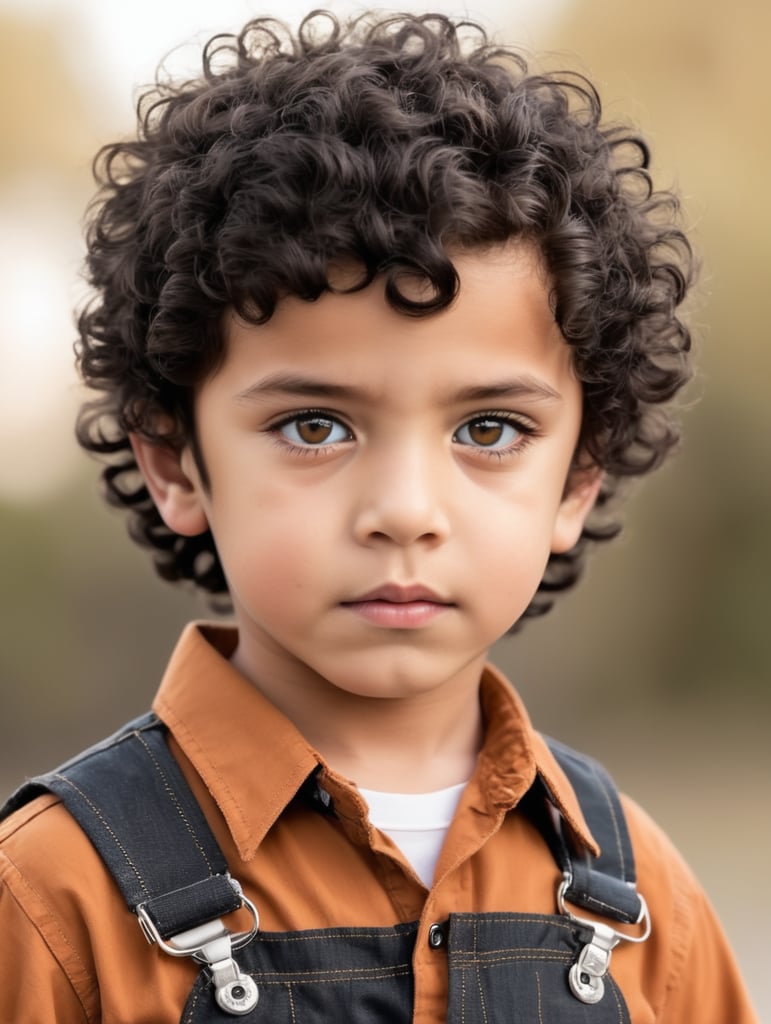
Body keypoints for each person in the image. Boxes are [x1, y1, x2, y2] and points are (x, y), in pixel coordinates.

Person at [0, 10, 758, 1023]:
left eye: (489, 429)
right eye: (315, 425)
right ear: (177, 461)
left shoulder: (640, 903)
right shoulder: (54, 895)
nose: (405, 510)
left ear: (577, 479)